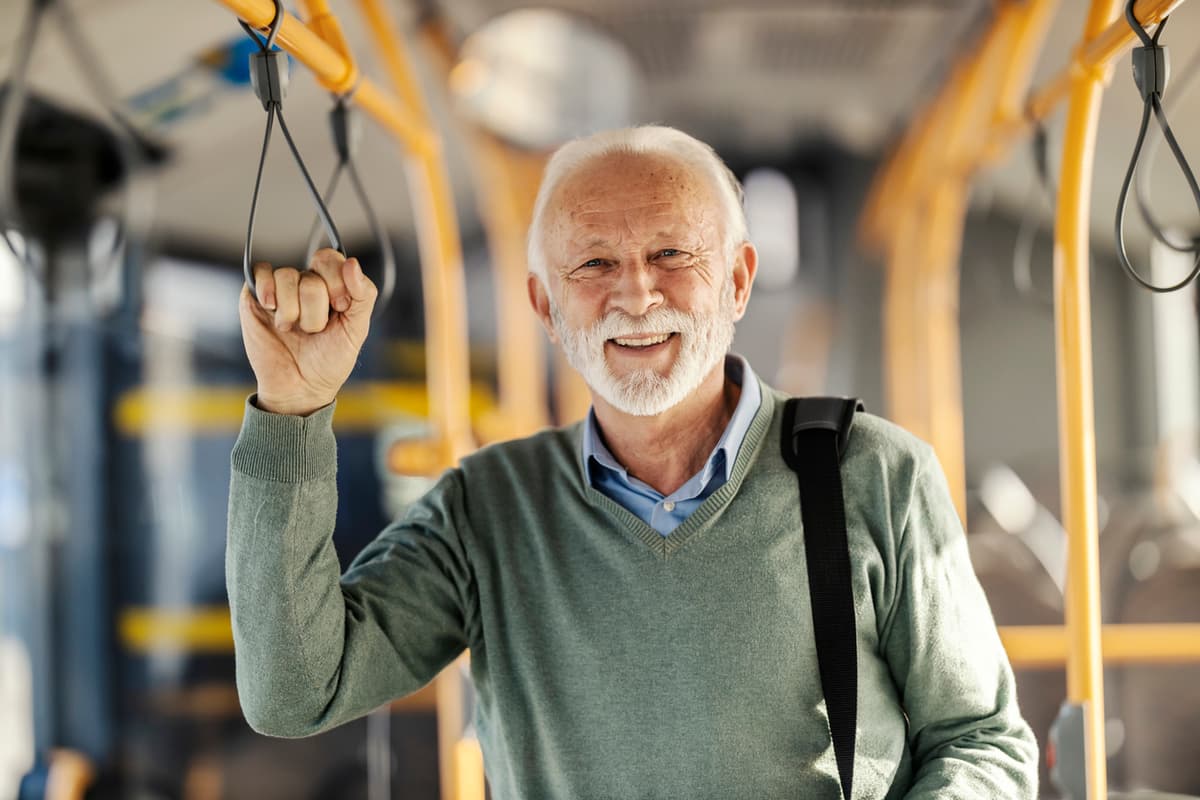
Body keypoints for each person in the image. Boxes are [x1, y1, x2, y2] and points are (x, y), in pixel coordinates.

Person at [228, 125, 1038, 799]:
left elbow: (981, 742)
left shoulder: (875, 475)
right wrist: (294, 411)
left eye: (672, 254)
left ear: (738, 279)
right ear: (546, 305)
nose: (638, 296)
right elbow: (297, 694)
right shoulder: (488, 508)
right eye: (594, 264)